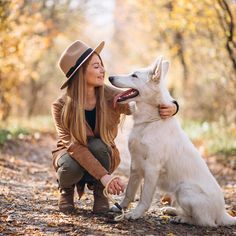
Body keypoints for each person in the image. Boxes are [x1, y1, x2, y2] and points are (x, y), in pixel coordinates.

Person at [51, 40, 179, 214]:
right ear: (80, 73)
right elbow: (73, 146)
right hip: (72, 156)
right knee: (68, 165)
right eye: (96, 66)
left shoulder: (112, 95)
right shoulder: (60, 106)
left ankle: (100, 192)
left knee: (99, 146)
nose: (103, 70)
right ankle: (66, 190)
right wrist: (106, 177)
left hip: (101, 154)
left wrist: (173, 106)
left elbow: (147, 97)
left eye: (101, 65)